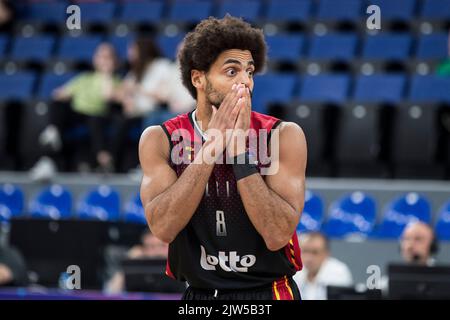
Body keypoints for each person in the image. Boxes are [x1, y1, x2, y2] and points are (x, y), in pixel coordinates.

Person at [139, 16, 307, 300]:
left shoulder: (283, 135)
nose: (245, 82)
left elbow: (277, 234)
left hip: (268, 292)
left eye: (250, 72)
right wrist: (211, 149)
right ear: (198, 79)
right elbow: (164, 228)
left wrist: (240, 152)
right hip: (200, 294)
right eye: (232, 72)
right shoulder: (160, 139)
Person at [29, 43, 121, 180]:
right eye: (100, 56)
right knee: (59, 105)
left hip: (99, 115)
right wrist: (61, 94)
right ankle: (53, 131)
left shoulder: (116, 81)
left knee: (95, 120)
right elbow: (62, 93)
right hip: (78, 114)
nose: (103, 60)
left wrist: (106, 74)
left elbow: (107, 96)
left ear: (114, 61)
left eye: (107, 57)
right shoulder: (85, 78)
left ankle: (104, 162)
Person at [293, 232, 353, 300]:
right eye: (305, 251)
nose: (308, 258)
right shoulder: (296, 271)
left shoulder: (339, 272)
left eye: (315, 252)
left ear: (326, 253)